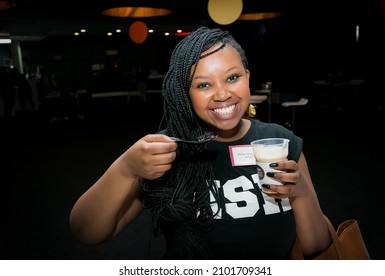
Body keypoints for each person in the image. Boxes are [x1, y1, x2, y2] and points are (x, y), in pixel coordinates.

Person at [69, 26, 331, 260]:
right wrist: (126, 169)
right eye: (203, 84)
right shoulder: (165, 152)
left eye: (232, 78)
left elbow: (316, 245)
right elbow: (88, 232)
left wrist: (301, 192)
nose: (222, 94)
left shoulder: (281, 143)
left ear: (248, 77)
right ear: (186, 93)